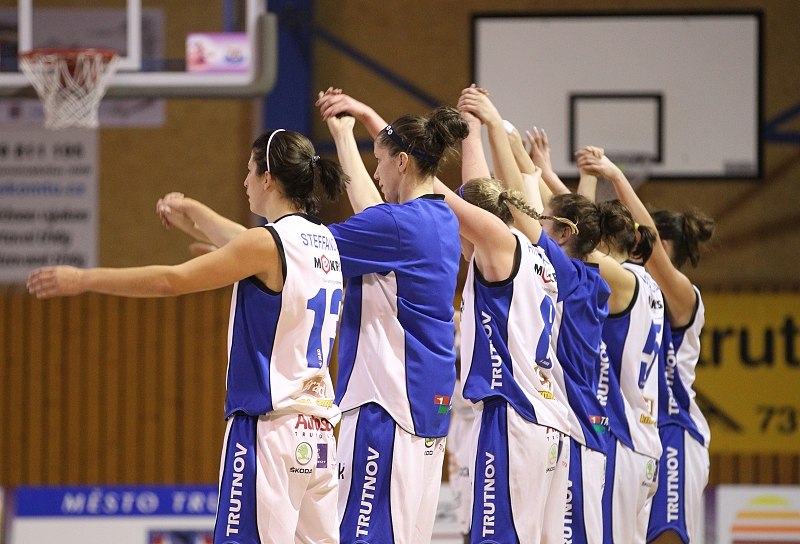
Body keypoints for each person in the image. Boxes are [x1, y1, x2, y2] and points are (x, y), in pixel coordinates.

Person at [27, 130, 349, 543]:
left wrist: (84, 279)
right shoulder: (325, 243)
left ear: (268, 178)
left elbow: (172, 281)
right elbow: (246, 243)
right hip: (319, 436)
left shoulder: (267, 244)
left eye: (249, 171)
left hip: (270, 432)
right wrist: (193, 211)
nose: (245, 182)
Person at [460, 85, 612, 544]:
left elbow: (513, 203)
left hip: (560, 425)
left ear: (562, 234)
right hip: (568, 428)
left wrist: (492, 127)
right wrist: (540, 168)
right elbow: (547, 208)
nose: (536, 218)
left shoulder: (557, 270)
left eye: (545, 219)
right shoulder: (591, 279)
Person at [316, 88, 466, 544]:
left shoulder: (397, 226)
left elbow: (302, 249)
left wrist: (234, 249)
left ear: (402, 162)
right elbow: (376, 215)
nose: (375, 173)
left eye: (379, 162)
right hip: (426, 407)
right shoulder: (440, 219)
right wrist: (346, 133)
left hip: (385, 404)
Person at [449, 88, 575, 543]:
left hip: (513, 416)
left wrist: (419, 168)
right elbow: (488, 194)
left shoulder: (500, 251)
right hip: (550, 420)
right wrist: (473, 129)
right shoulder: (542, 253)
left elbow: (464, 201)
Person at [576, 149, 714, 543]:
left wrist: (616, 177)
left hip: (676, 430)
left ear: (664, 245)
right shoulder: (635, 285)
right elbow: (581, 234)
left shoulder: (682, 294)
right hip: (644, 428)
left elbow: (637, 241)